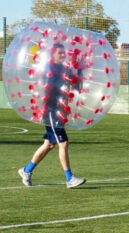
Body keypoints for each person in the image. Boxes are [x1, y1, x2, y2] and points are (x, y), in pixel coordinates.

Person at [17, 43, 86, 188]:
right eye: (60, 53)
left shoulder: (65, 69)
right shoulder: (49, 68)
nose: (63, 55)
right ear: (53, 54)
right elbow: (49, 85)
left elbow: (77, 87)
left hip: (60, 111)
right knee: (63, 143)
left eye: (64, 53)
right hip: (50, 111)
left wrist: (78, 69)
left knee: (49, 144)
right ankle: (69, 178)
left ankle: (26, 170)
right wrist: (66, 74)